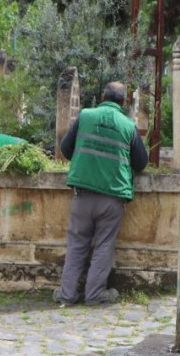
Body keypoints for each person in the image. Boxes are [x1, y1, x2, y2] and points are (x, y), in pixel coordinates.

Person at [52, 81, 149, 306]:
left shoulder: (85, 116)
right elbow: (141, 162)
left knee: (76, 244)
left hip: (82, 194)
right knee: (104, 245)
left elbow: (65, 149)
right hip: (112, 197)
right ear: (123, 102)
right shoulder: (128, 125)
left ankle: (67, 295)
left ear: (102, 97)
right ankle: (95, 295)